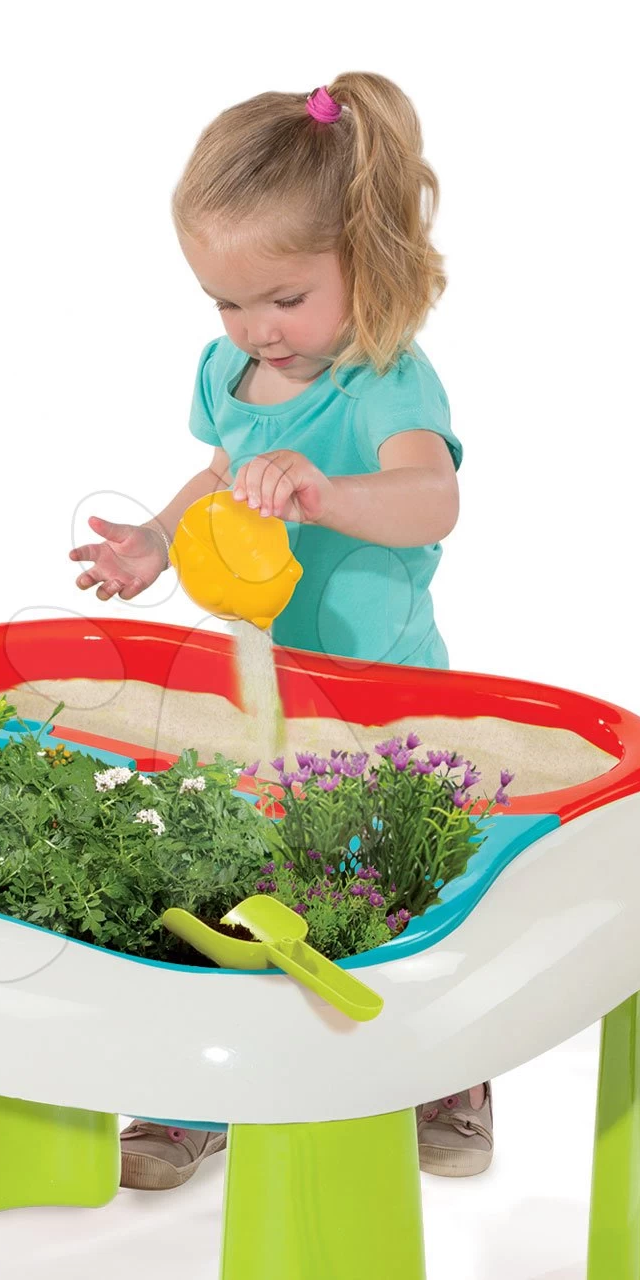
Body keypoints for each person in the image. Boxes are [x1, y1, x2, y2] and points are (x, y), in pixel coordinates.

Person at [69, 72, 492, 1190]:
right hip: (261, 690)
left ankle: (444, 1074)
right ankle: (202, 1090)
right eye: (226, 302)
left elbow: (433, 499)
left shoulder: (385, 382)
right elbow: (217, 475)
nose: (256, 329)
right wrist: (155, 542)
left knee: (385, 886)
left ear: (369, 256)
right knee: (235, 874)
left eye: (285, 298)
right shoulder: (232, 372)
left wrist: (326, 494)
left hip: (378, 696)